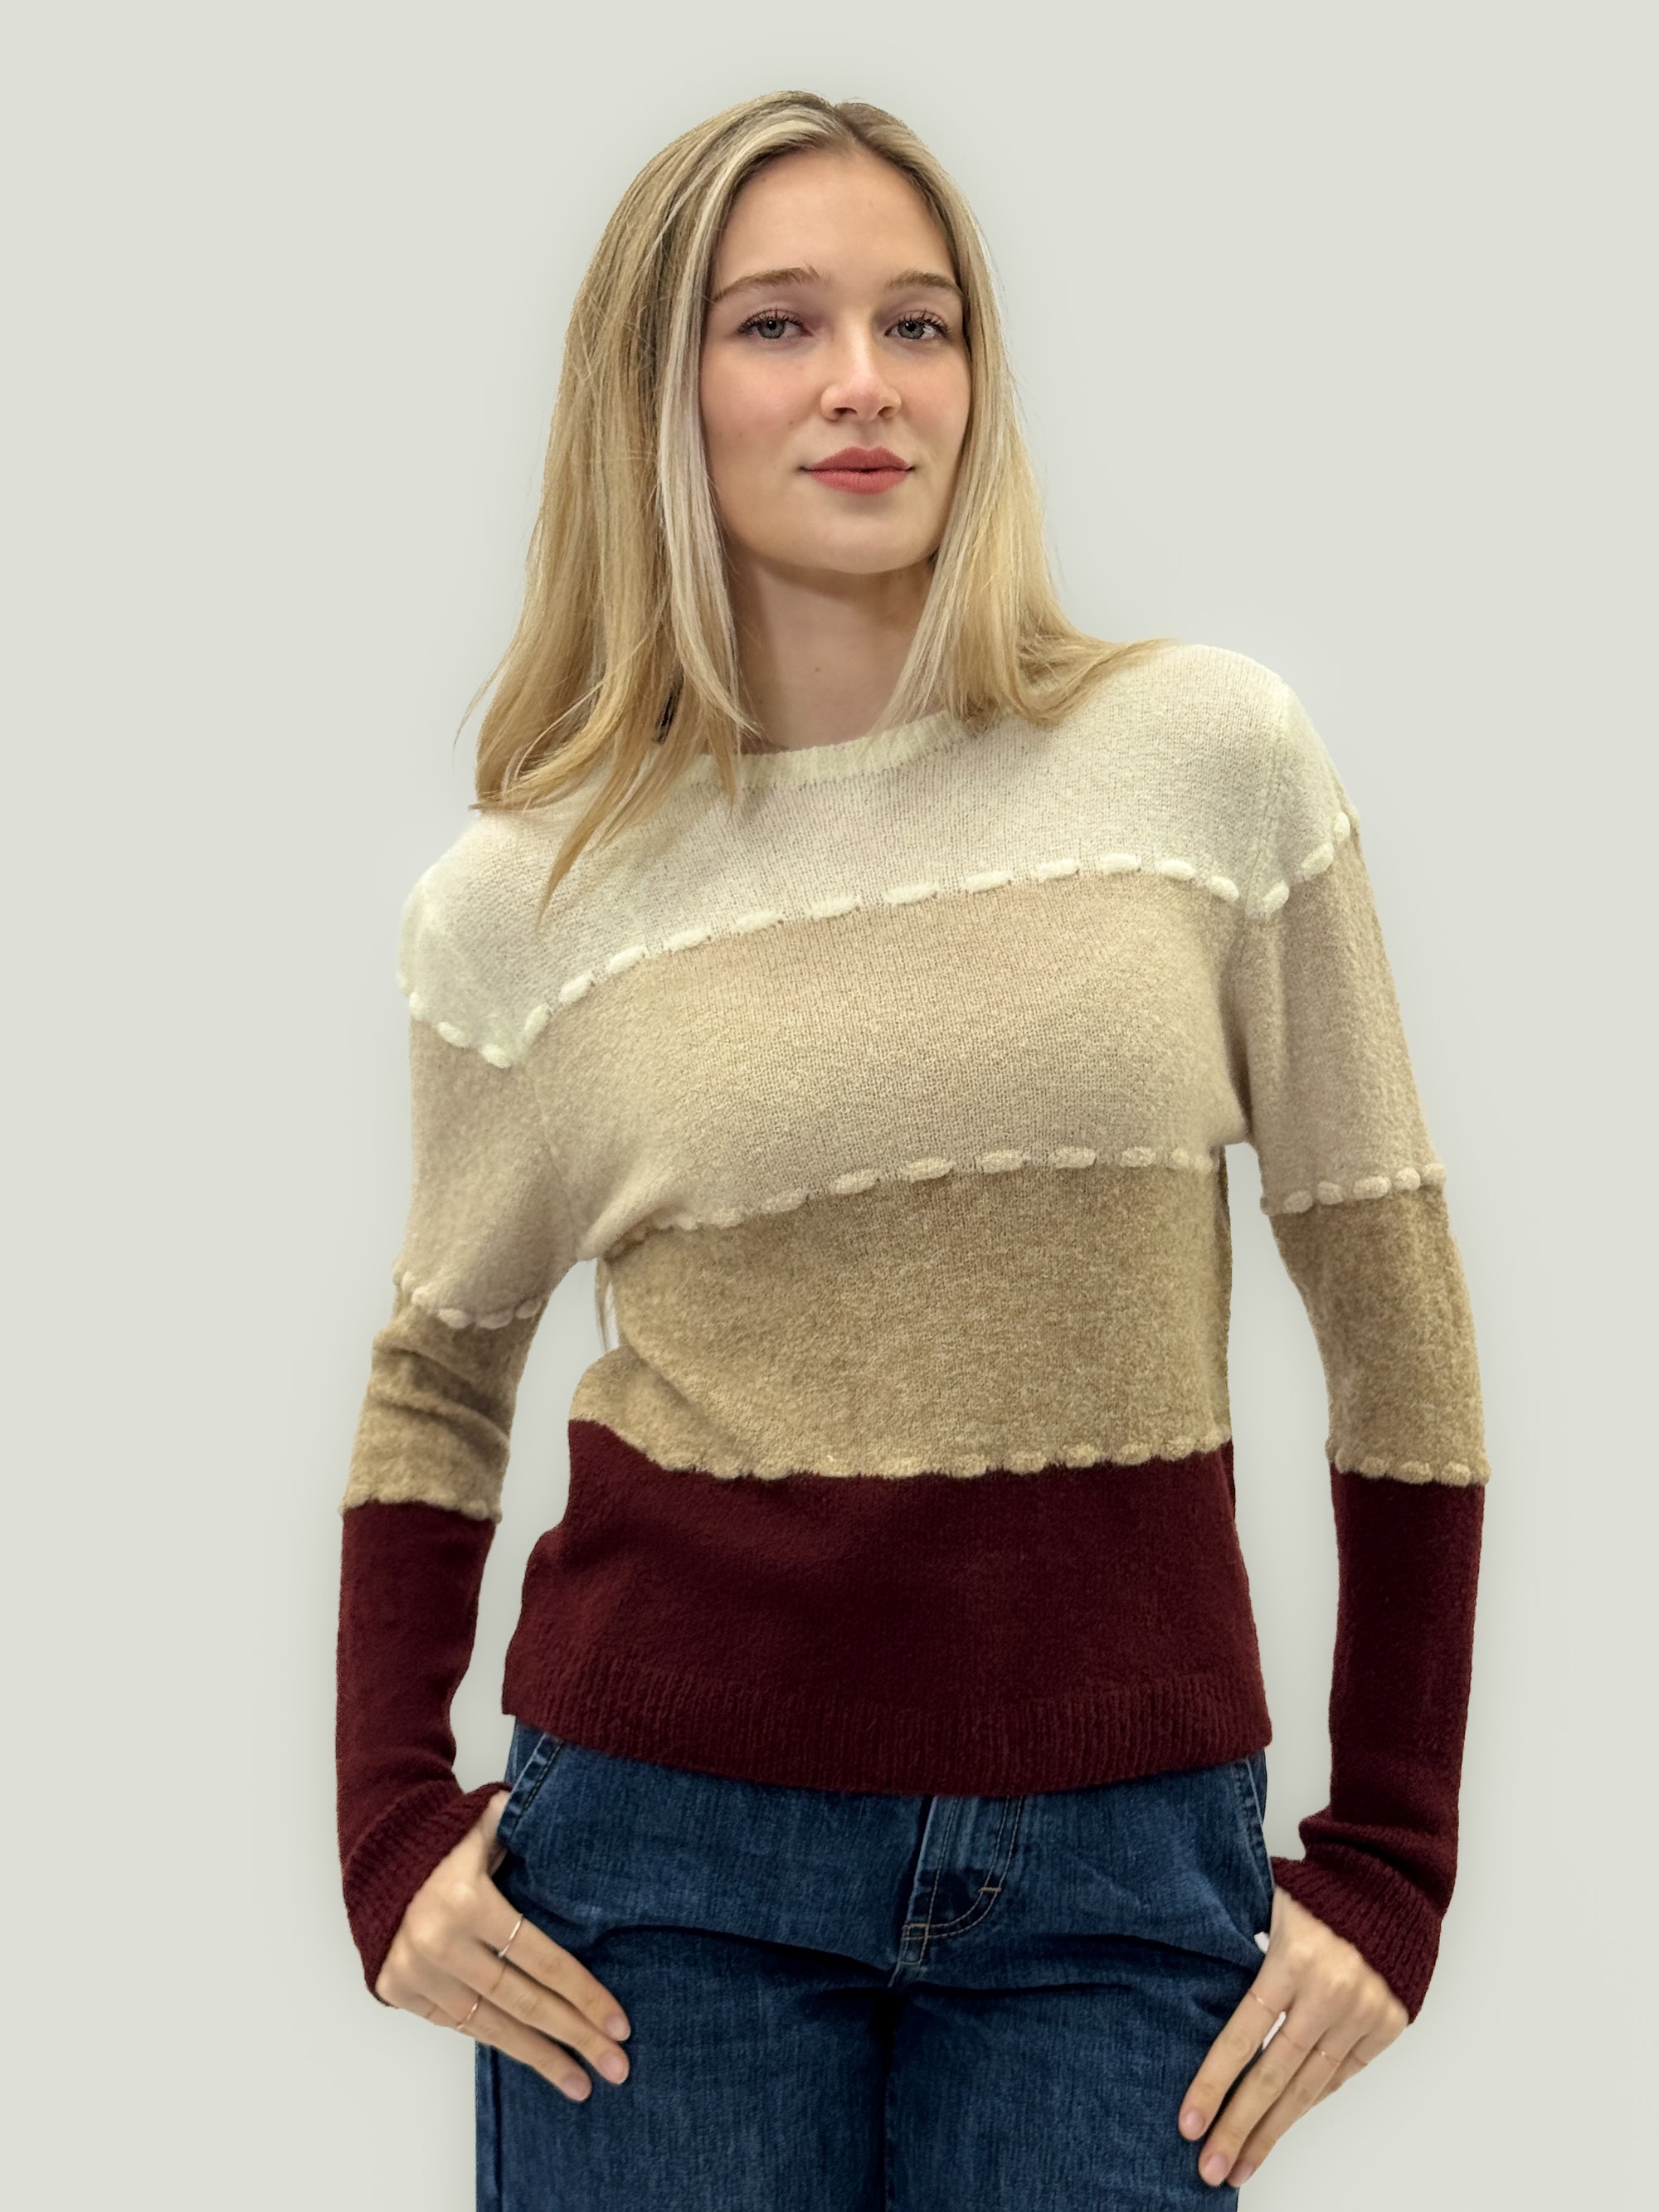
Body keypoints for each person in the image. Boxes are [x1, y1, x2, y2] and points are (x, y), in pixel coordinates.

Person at [334, 89, 1488, 2208]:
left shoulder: (1205, 760)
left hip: (1123, 1866)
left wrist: (1396, 1851)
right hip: (655, 1873)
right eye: (778, 322)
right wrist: (389, 1826)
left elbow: (1390, 1297)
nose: (865, 381)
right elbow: (437, 1368)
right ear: (657, 389)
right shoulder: (520, 901)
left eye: (920, 322)